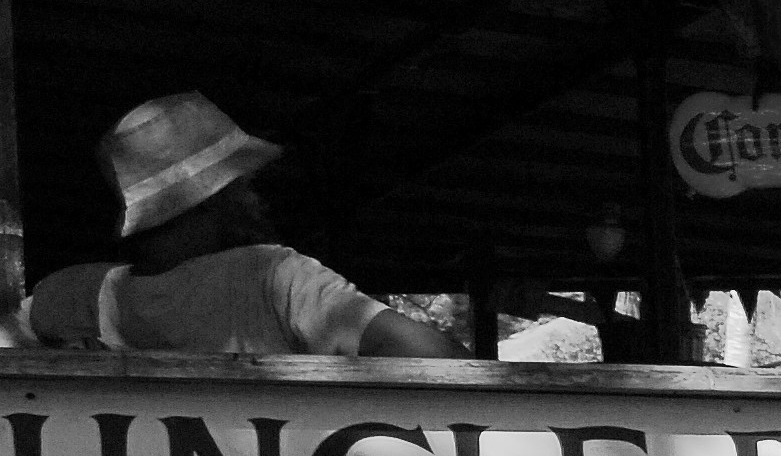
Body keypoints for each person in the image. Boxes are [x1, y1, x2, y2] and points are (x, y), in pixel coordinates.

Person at [6, 92, 458, 357]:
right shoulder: (274, 278)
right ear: (207, 200)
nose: (257, 203)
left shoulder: (68, 295)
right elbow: (446, 363)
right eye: (243, 187)